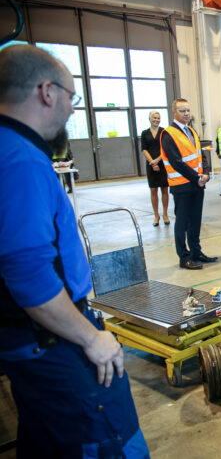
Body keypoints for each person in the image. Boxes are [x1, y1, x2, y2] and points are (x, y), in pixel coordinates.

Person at [0, 44, 149, 457]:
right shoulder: (20, 159)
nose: (71, 109)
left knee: (47, 437)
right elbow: (28, 274)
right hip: (51, 339)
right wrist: (91, 337)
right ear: (47, 92)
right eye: (71, 97)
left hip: (26, 339)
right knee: (105, 438)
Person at [160, 98, 218, 270]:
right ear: (174, 112)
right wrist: (196, 177)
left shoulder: (192, 131)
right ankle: (184, 257)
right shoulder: (168, 134)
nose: (186, 113)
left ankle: (196, 252)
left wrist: (205, 173)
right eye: (182, 110)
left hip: (197, 184)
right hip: (182, 185)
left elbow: (200, 155)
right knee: (182, 222)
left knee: (195, 220)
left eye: (187, 110)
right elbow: (176, 162)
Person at [141, 111, 170, 226]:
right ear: (149, 118)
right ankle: (156, 215)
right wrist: (152, 163)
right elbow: (144, 149)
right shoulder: (144, 133)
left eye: (158, 118)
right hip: (150, 164)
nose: (156, 120)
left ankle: (165, 214)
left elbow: (166, 148)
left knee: (164, 189)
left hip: (162, 163)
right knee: (153, 189)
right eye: (154, 118)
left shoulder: (164, 132)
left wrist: (157, 160)